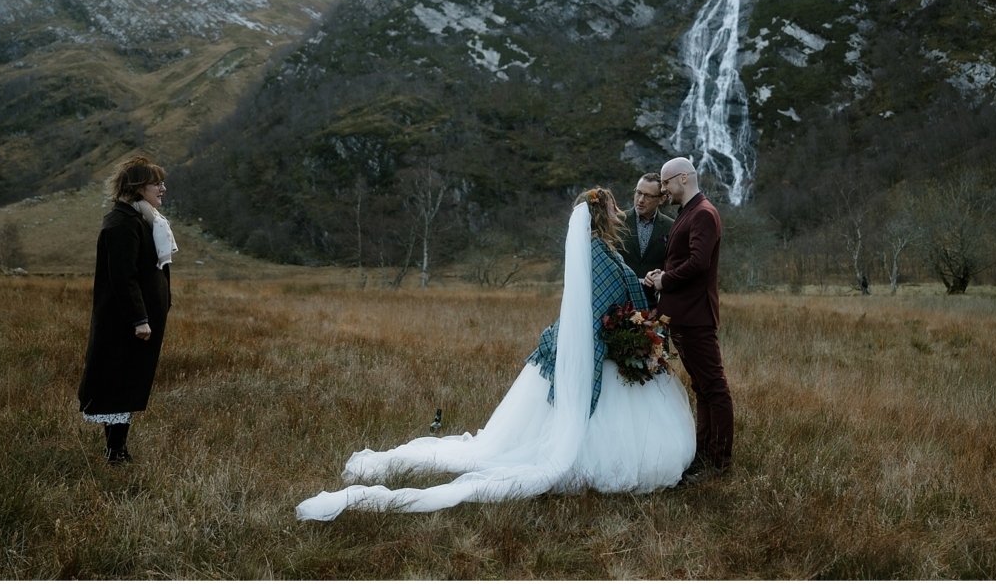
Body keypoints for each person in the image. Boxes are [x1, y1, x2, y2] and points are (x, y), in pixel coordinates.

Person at [296, 187, 696, 519]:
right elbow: (606, 301)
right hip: (603, 343)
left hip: (602, 341)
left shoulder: (595, 250)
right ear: (600, 215)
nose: (621, 210)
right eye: (613, 207)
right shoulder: (596, 255)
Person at [77, 155, 177, 465]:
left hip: (137, 321)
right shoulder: (122, 223)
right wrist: (139, 319)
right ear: (138, 188)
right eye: (155, 183)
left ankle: (117, 449)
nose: (162, 188)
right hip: (124, 322)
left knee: (127, 382)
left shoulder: (142, 218)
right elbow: (122, 277)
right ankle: (115, 451)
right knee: (117, 382)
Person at [645, 157, 733, 482]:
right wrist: (662, 274)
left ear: (683, 178)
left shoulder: (704, 213)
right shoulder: (690, 212)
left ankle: (719, 465)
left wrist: (665, 281)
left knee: (715, 388)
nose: (663, 190)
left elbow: (698, 263)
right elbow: (685, 259)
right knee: (702, 388)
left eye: (666, 183)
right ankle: (705, 456)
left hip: (696, 316)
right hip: (684, 315)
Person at [618, 173, 674, 307]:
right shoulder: (617, 222)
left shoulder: (672, 227)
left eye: (648, 196)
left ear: (662, 199)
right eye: (638, 193)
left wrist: (661, 274)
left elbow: (674, 264)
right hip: (618, 304)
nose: (640, 200)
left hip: (653, 305)